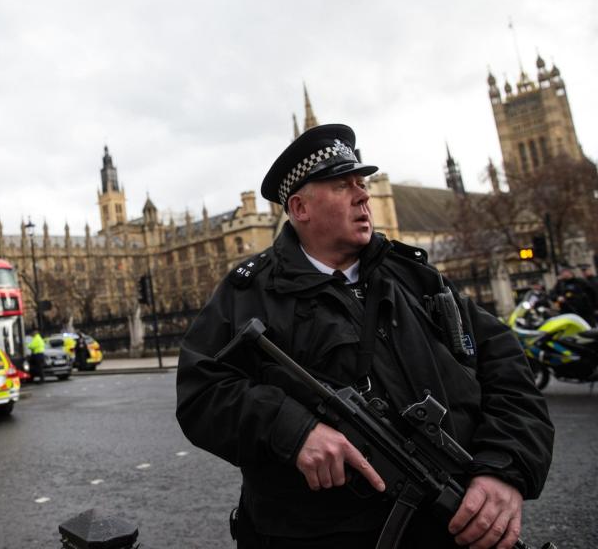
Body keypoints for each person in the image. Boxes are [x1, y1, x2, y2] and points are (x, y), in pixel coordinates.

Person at [176, 124, 554, 549]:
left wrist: (504, 467)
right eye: (343, 186)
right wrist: (293, 429)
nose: (363, 195)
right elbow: (201, 394)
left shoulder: (417, 277)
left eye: (362, 183)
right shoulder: (249, 292)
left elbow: (506, 368)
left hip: (451, 524)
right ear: (300, 208)